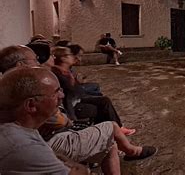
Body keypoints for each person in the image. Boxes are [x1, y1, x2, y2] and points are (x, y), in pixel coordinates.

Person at [0, 46, 156, 173]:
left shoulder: (12, 89)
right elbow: (61, 119)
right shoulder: (23, 145)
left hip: (51, 135)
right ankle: (131, 150)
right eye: (34, 59)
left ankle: (128, 148)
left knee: (108, 133)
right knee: (110, 127)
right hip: (55, 137)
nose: (41, 61)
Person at [0, 67, 88, 174]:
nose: (62, 96)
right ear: (31, 105)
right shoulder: (23, 146)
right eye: (56, 92)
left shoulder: (18, 129)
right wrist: (83, 169)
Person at [51, 47, 135, 136]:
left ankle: (115, 129)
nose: (73, 57)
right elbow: (67, 98)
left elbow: (76, 89)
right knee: (99, 107)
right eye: (69, 55)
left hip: (79, 98)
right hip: (74, 105)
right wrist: (72, 117)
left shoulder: (66, 72)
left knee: (104, 100)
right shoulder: (60, 74)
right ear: (63, 58)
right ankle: (110, 131)